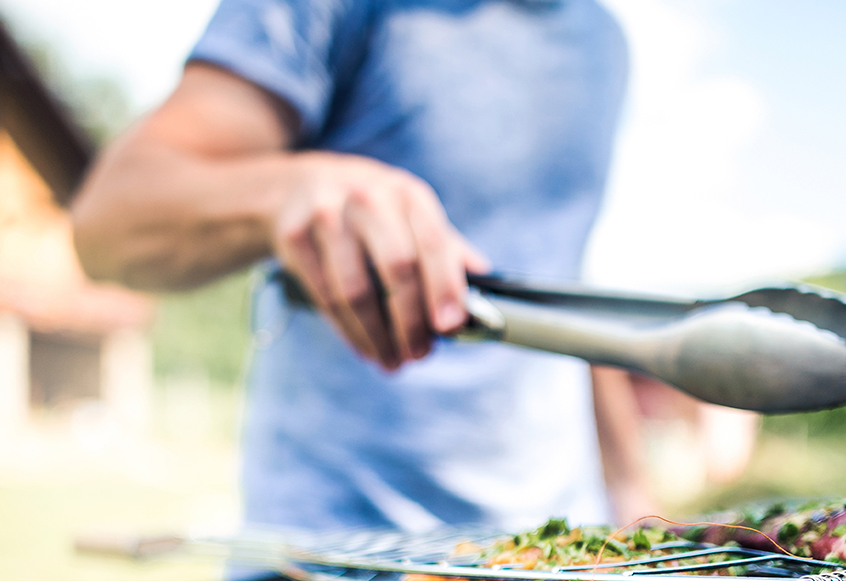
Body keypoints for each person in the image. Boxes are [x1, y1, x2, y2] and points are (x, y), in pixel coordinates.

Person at [71, 0, 656, 532]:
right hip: (335, 557)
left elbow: (561, 276)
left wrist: (631, 488)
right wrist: (287, 191)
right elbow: (107, 223)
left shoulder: (604, 42)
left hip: (552, 549)